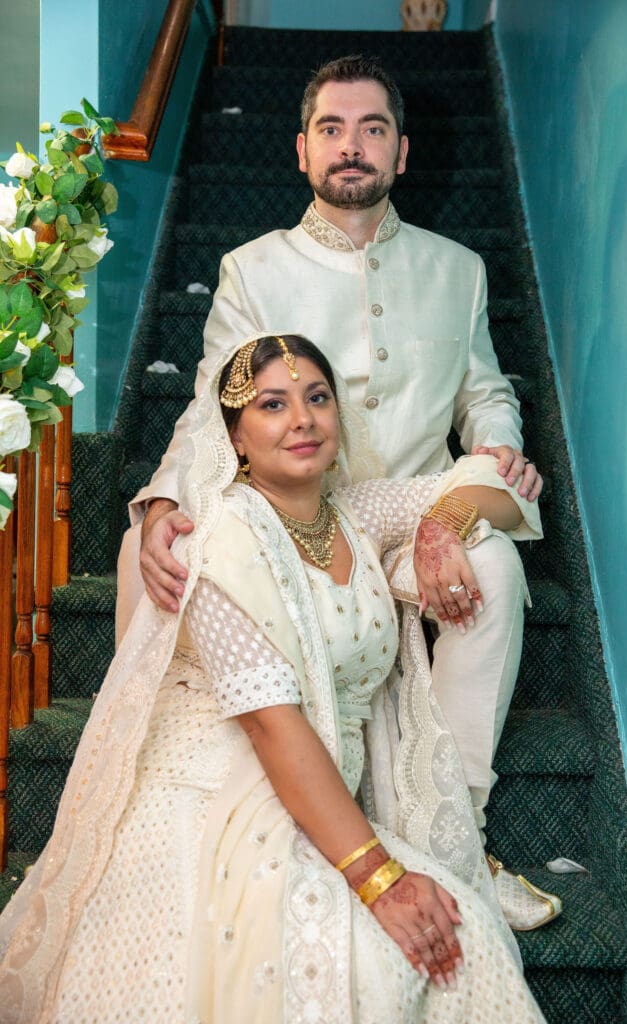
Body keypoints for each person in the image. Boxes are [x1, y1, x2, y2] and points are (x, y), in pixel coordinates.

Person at [119, 56, 554, 928]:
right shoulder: (252, 267)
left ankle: (456, 833)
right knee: (163, 553)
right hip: (301, 522)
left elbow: (484, 390)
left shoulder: (458, 268)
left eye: (371, 129)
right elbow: (213, 402)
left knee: (496, 568)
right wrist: (164, 502)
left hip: (420, 508)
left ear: (400, 153)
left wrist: (497, 453)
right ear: (301, 150)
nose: (350, 146)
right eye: (331, 128)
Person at [0, 335, 547, 1023]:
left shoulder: (352, 514)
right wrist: (379, 880)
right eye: (272, 404)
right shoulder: (218, 539)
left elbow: (486, 485)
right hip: (218, 795)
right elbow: (268, 722)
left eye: (317, 399)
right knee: (368, 965)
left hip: (317, 785)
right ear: (233, 433)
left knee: (458, 929)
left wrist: (440, 527)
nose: (303, 420)